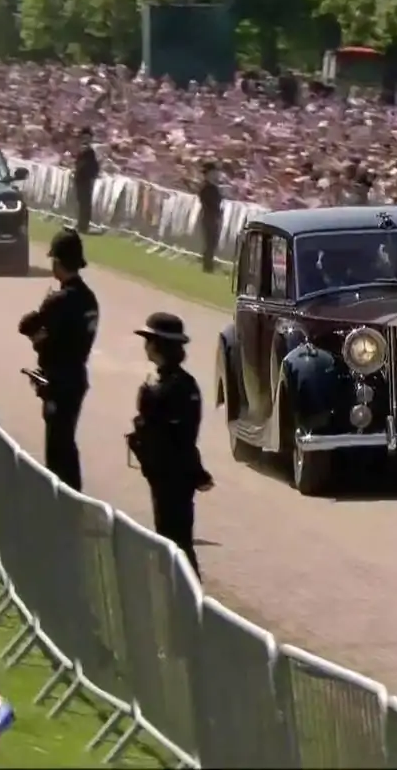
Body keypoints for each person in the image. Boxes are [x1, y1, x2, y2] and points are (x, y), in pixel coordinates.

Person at [127, 312, 214, 577]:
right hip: (171, 473)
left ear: (158, 345)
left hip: (169, 474)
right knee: (174, 539)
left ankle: (188, 603)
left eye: (149, 340)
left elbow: (172, 437)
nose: (145, 346)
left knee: (175, 542)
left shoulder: (165, 388)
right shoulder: (182, 384)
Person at [17, 228, 100, 491]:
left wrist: (35, 336)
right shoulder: (89, 299)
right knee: (66, 440)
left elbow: (40, 338)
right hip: (77, 375)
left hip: (58, 379)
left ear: (58, 262)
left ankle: (65, 500)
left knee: (58, 447)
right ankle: (70, 496)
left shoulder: (58, 301)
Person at [196, 161, 223, 273]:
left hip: (212, 215)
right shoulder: (207, 187)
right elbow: (210, 202)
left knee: (212, 242)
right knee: (210, 241)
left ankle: (208, 264)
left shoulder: (212, 187)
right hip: (209, 215)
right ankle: (207, 265)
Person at [72, 128, 99, 234]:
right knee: (82, 202)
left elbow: (91, 165)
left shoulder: (88, 150)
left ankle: (83, 225)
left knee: (85, 203)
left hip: (85, 178)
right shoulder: (85, 150)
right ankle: (82, 224)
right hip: (82, 178)